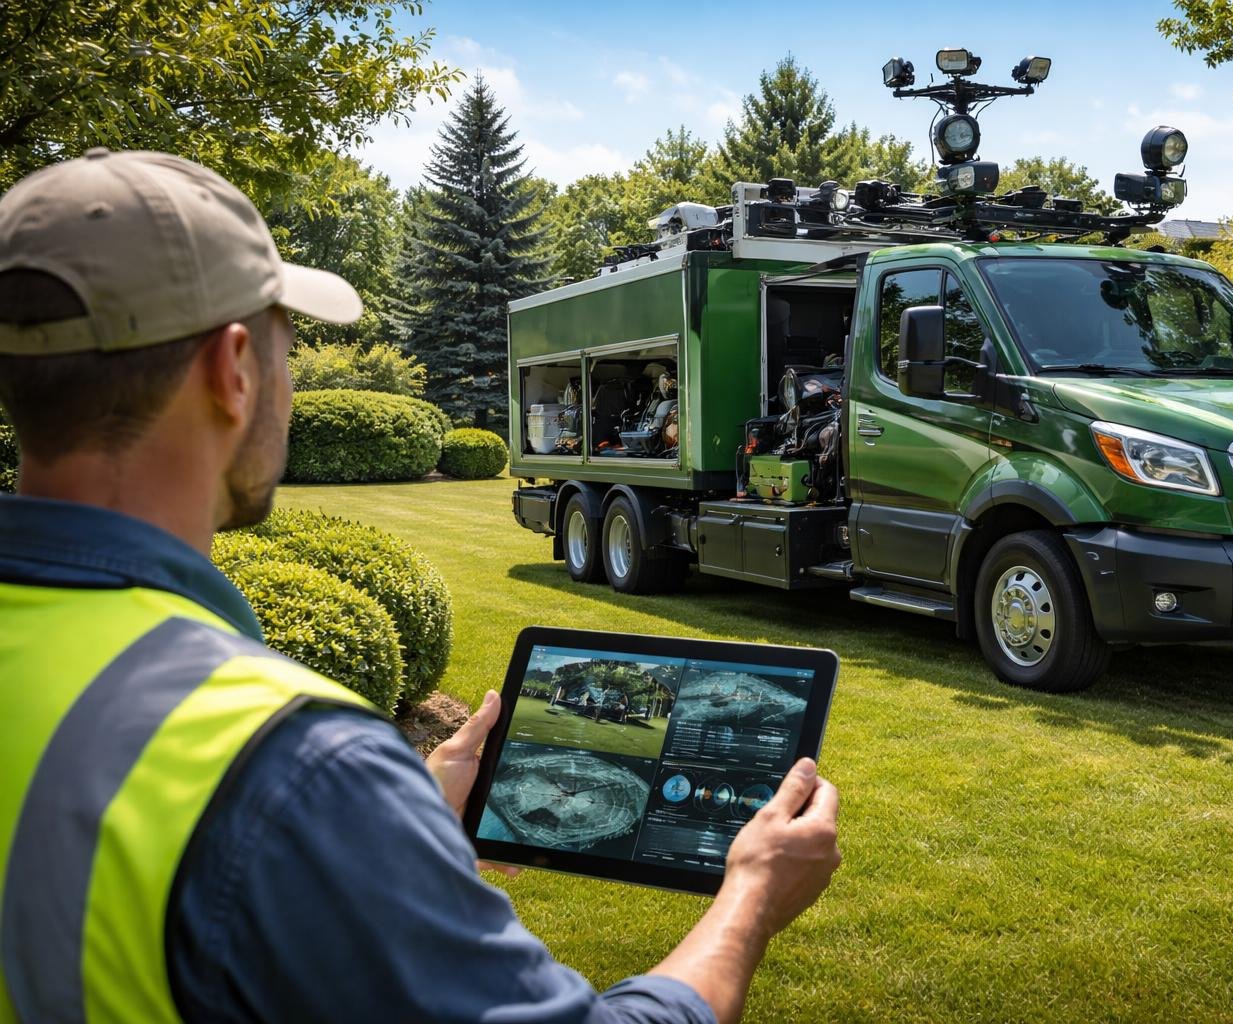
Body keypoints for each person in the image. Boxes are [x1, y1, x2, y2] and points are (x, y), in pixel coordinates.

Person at [0, 149, 841, 1023]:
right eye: (291, 349)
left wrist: (405, 829)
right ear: (234, 371)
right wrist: (749, 896)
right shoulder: (294, 768)